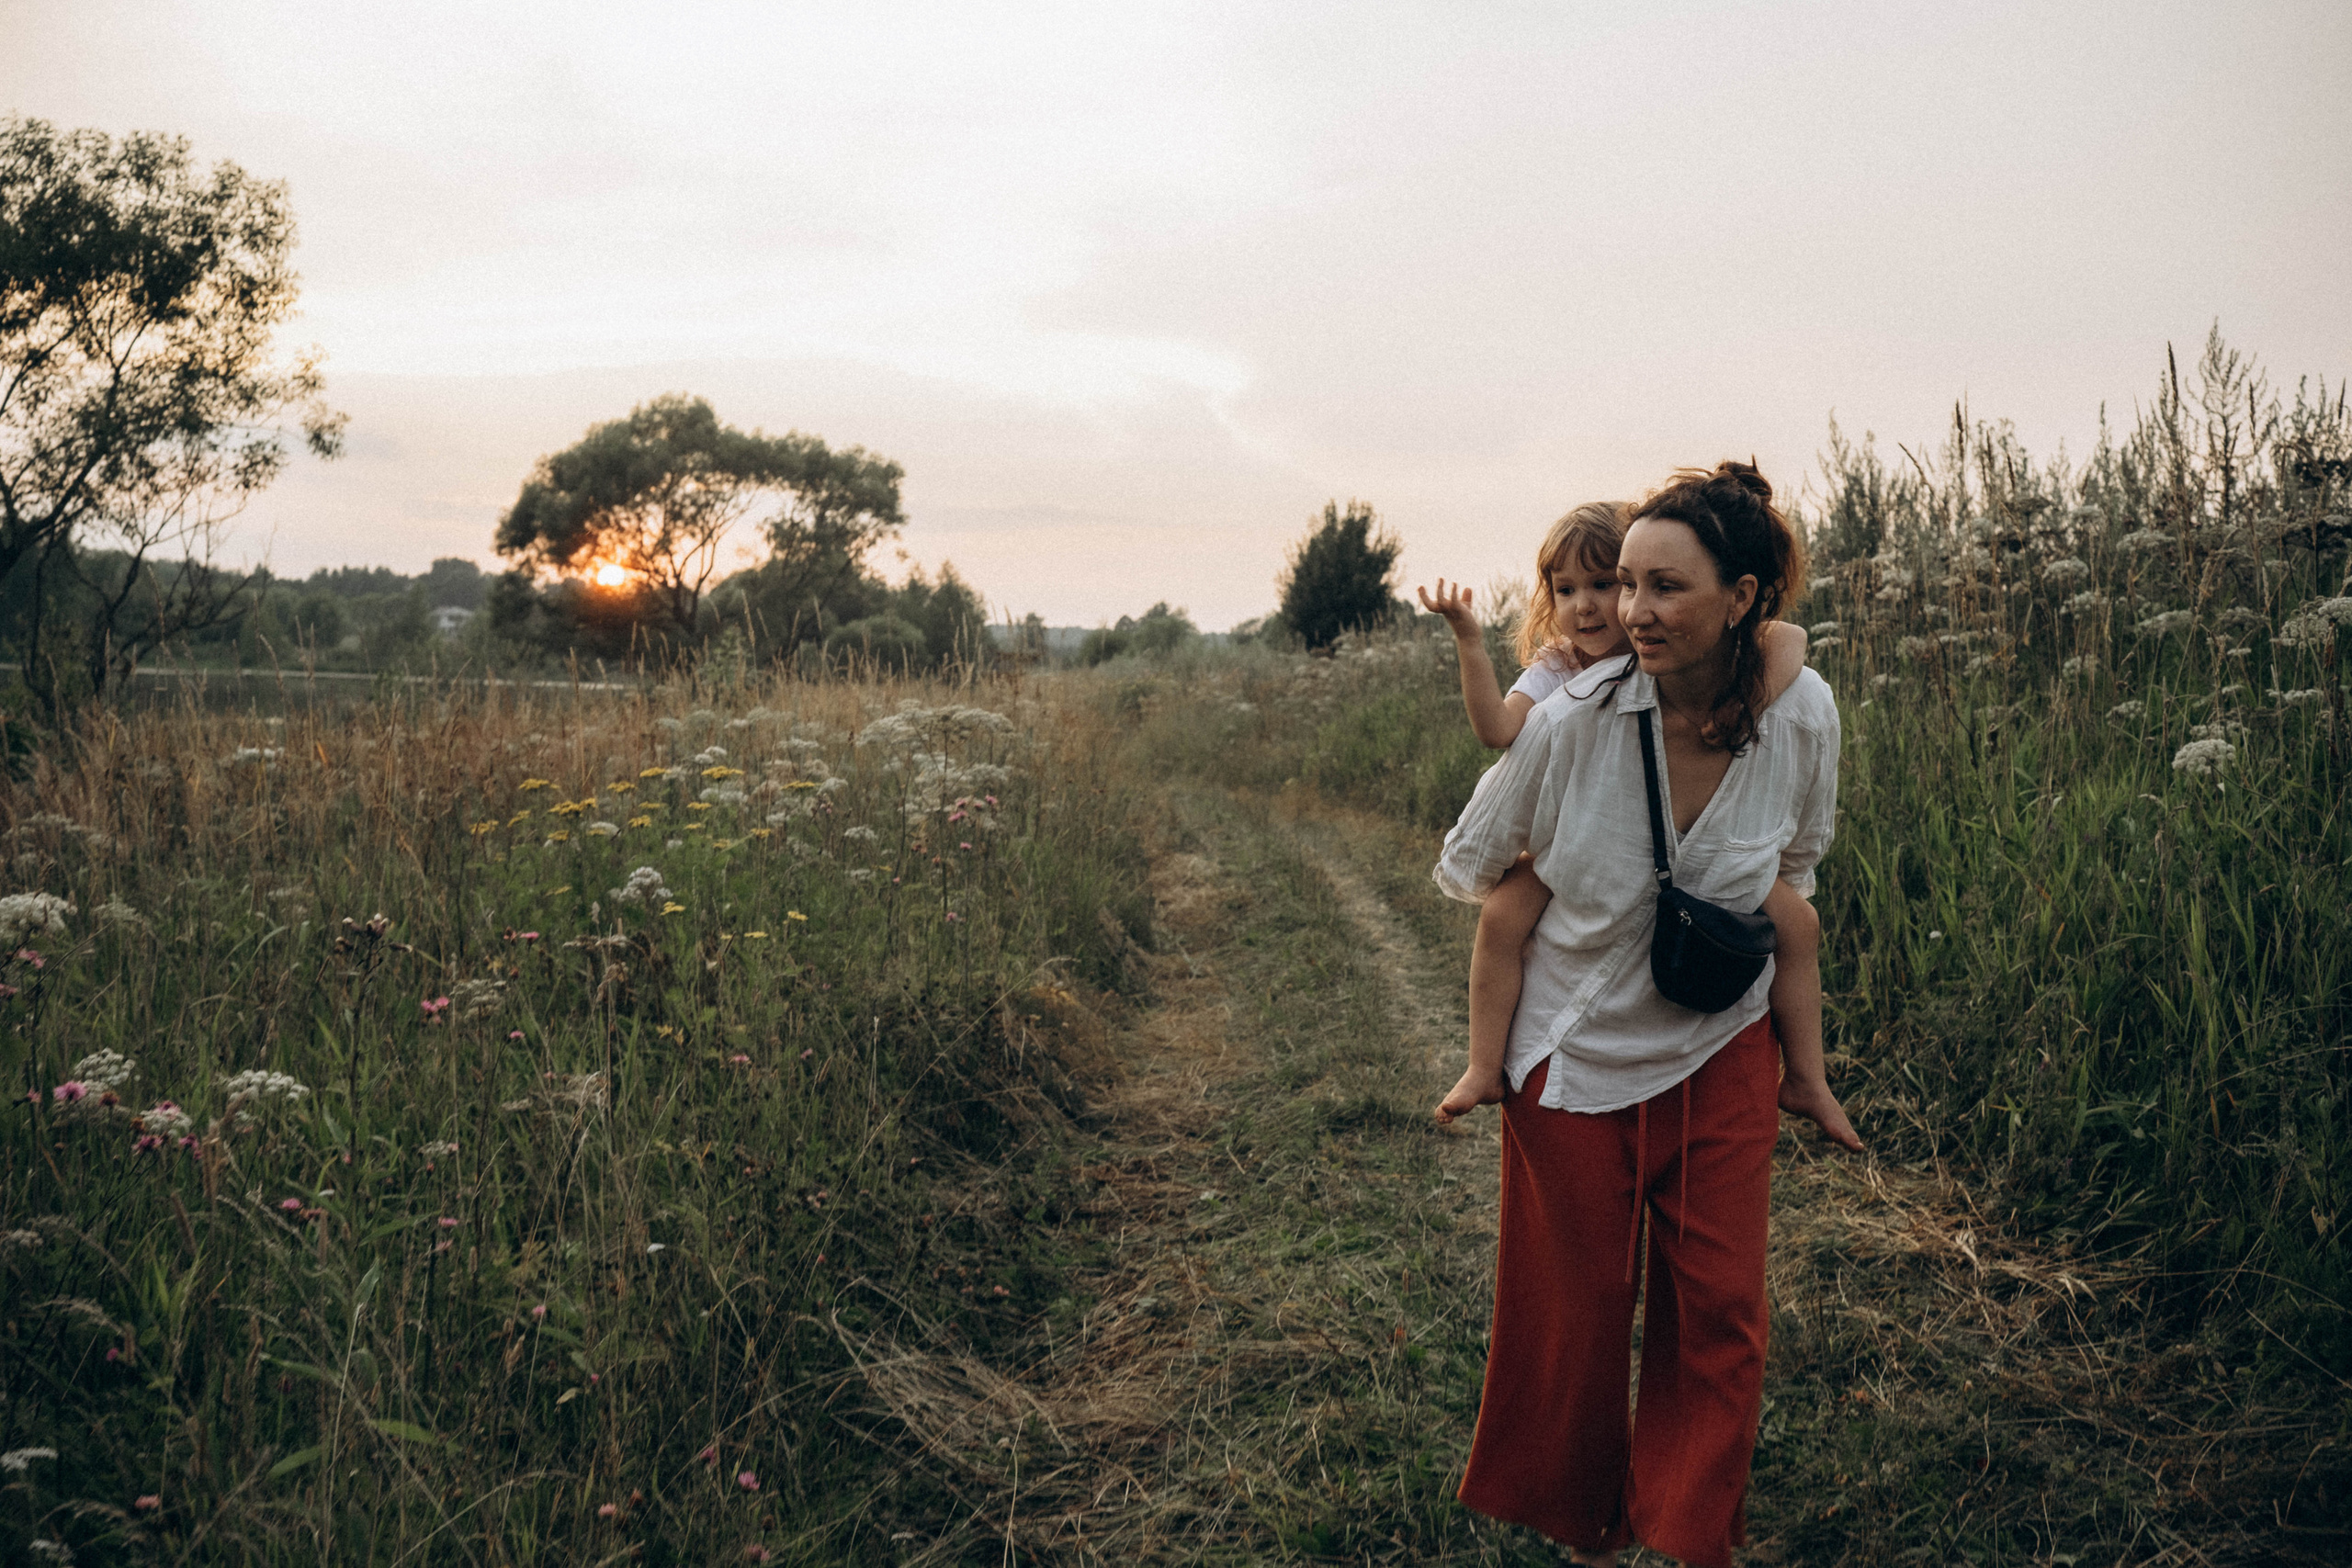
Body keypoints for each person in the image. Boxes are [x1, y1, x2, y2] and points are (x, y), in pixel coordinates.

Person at [1431, 460, 1847, 1568]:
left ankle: (1691, 1532)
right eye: (1624, 584)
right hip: (1571, 1056)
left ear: (1742, 598)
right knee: (1574, 1312)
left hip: (1721, 1046)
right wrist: (1572, 867)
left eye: (1664, 587)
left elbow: (1796, 859)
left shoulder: (1803, 713)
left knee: (1721, 1313)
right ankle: (1584, 1520)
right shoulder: (1572, 719)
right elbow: (1476, 857)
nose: (1632, 610)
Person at [1417, 508, 1856, 1152]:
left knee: (1801, 923)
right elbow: (1498, 729)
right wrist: (1469, 643)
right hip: (1572, 839)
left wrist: (1747, 701)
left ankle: (1809, 1078)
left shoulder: (1687, 649)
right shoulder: (1559, 669)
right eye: (1569, 590)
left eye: (1608, 584)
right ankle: (1484, 1064)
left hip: (1704, 854)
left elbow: (1788, 637)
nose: (1597, 606)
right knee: (1503, 913)